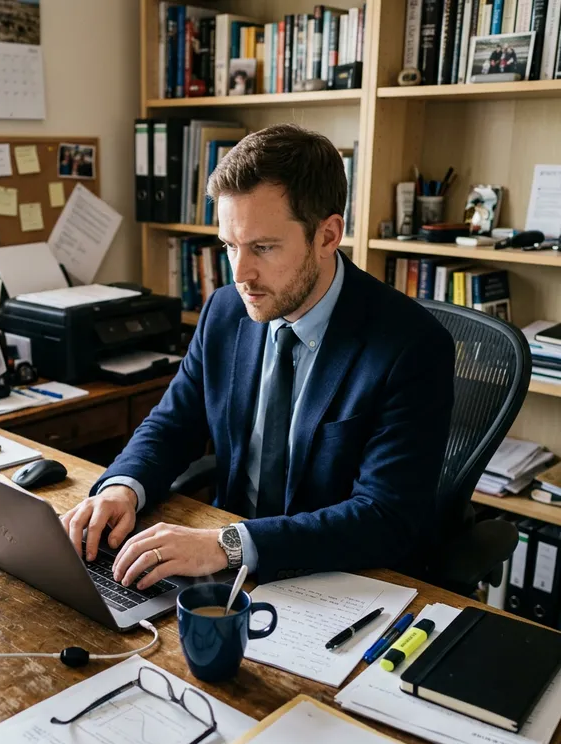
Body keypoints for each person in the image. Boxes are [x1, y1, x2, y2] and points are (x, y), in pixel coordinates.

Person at [61, 123, 455, 591]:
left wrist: (227, 544)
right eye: (230, 246)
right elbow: (174, 423)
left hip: (337, 580)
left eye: (263, 248)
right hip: (221, 570)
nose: (241, 273)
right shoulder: (226, 311)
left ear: (328, 236)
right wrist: (123, 486)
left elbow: (383, 517)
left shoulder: (412, 346)